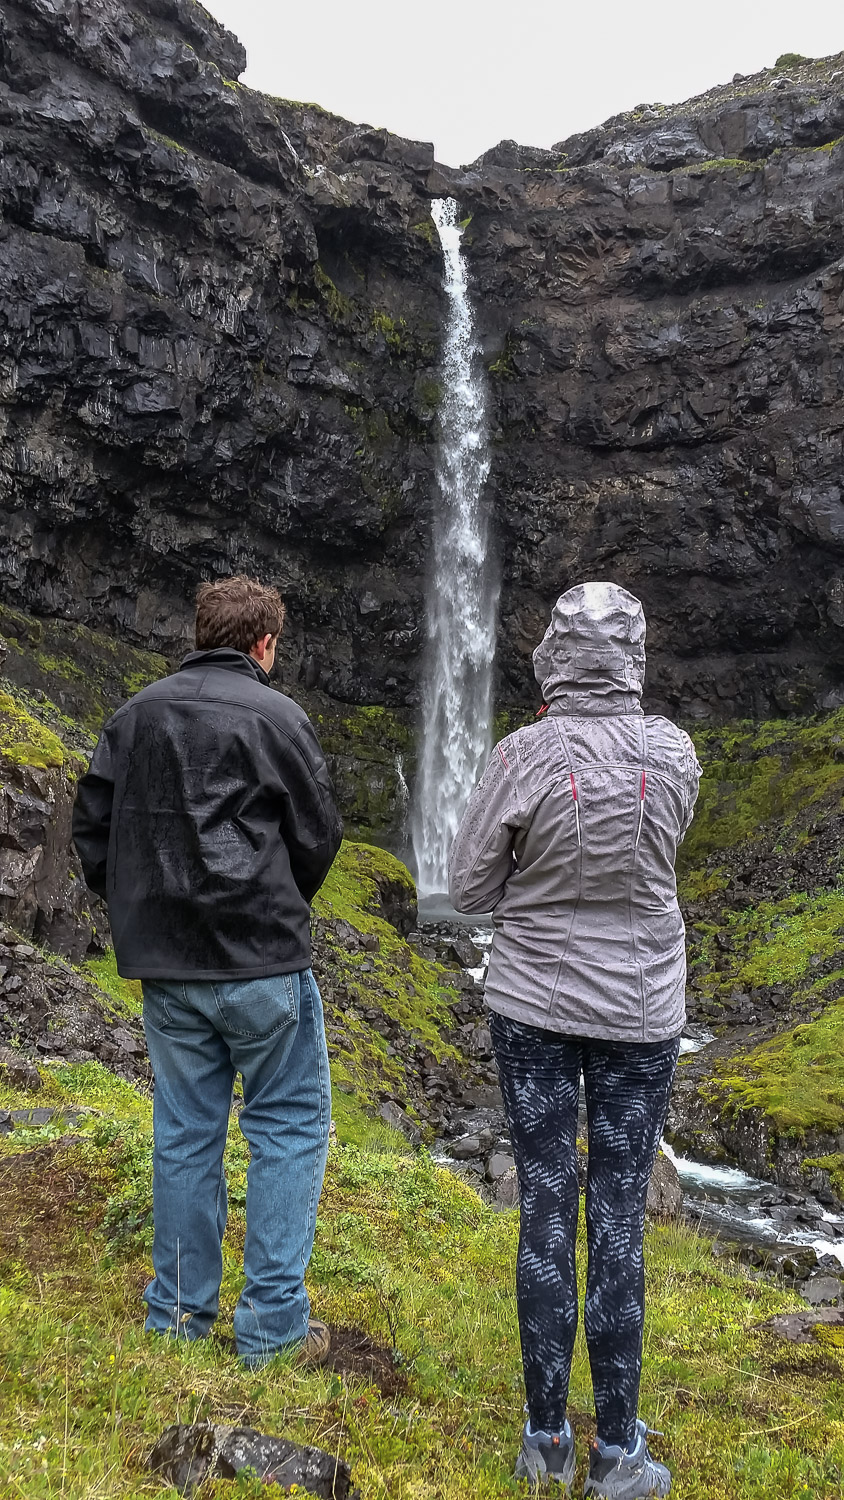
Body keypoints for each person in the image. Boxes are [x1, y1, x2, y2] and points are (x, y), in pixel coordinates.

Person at [449, 582, 700, 1498]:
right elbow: (661, 856)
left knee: (547, 1204)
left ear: (553, 652)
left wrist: (537, 880)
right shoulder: (674, 752)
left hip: (533, 1010)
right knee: (620, 1213)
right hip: (643, 1011)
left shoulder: (523, 754)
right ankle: (619, 1450)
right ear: (634, 655)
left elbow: (470, 887)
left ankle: (546, 1438)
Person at [73, 574, 343, 1368]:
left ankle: (180, 1319)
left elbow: (93, 827)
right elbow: (318, 835)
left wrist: (145, 909)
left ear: (200, 634)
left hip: (169, 968)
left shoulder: (136, 714)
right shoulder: (278, 717)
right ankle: (271, 1328)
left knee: (186, 1134)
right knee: (289, 1128)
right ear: (264, 645)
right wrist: (275, 902)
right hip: (261, 961)